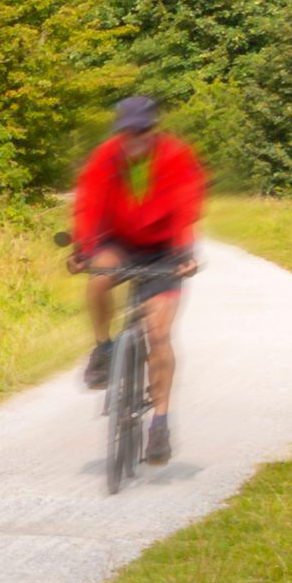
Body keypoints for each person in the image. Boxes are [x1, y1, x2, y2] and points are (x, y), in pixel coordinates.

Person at [69, 87, 206, 464]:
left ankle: (160, 424)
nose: (134, 139)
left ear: (153, 129)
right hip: (120, 241)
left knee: (159, 334)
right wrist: (83, 250)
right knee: (98, 277)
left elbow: (186, 204)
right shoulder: (105, 157)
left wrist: (184, 253)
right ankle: (103, 348)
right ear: (119, 131)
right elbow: (88, 205)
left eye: (142, 131)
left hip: (164, 247)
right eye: (127, 132)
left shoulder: (176, 156)